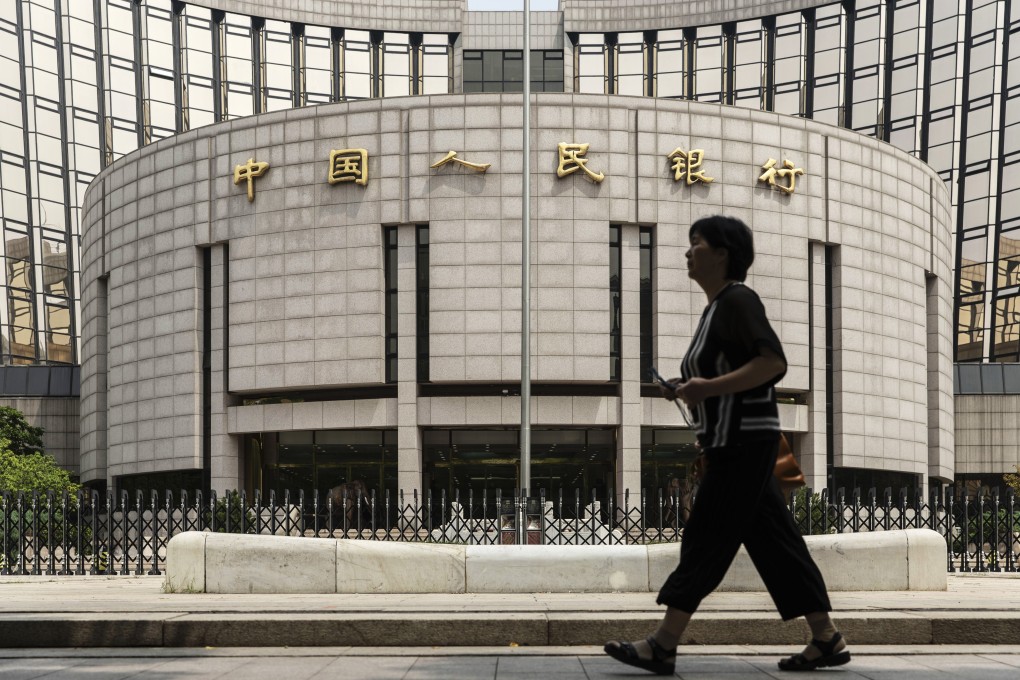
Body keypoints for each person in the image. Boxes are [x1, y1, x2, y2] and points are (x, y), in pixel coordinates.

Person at [604, 215, 850, 675]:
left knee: (706, 537)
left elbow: (773, 362)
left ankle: (663, 643)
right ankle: (826, 637)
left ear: (721, 253)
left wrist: (708, 389)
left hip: (743, 444)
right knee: (778, 543)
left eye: (695, 243)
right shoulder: (716, 308)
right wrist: (687, 386)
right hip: (738, 442)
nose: (687, 252)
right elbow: (726, 375)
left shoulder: (738, 299)